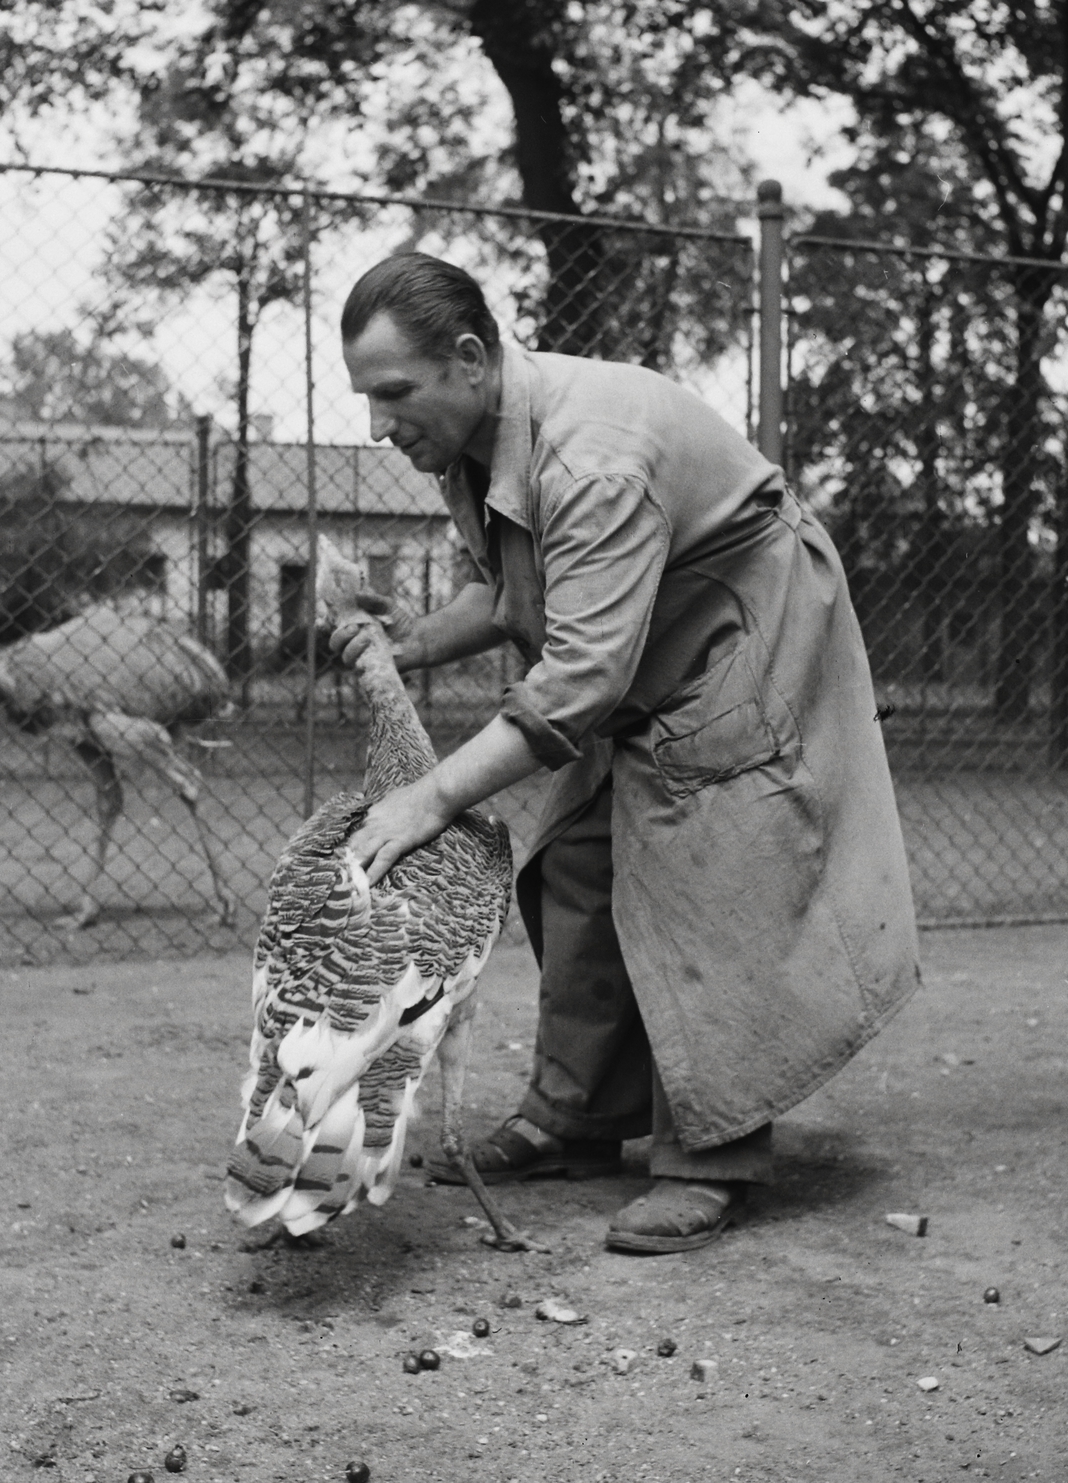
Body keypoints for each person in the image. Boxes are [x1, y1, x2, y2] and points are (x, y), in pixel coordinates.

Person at [332, 252, 919, 1253]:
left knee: (700, 865)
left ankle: (712, 1155)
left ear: (469, 359)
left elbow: (578, 684)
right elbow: (507, 590)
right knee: (575, 854)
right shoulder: (472, 442)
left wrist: (427, 799)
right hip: (646, 638)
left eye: (393, 394)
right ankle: (580, 1112)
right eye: (368, 399)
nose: (379, 425)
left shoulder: (590, 455)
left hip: (743, 632)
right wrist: (415, 639)